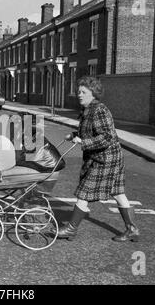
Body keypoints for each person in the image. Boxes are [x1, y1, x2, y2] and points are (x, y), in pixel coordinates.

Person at [56, 76, 140, 242]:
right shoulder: (87, 110)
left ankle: (71, 229)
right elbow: (89, 131)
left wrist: (84, 142)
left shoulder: (99, 109)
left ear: (93, 93)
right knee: (118, 193)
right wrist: (74, 135)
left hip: (105, 159)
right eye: (78, 91)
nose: (79, 94)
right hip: (102, 157)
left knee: (84, 192)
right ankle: (132, 229)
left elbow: (108, 137)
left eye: (83, 92)